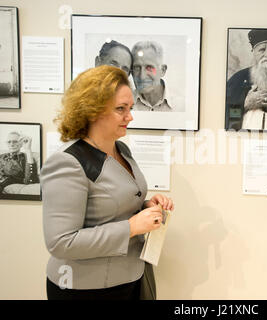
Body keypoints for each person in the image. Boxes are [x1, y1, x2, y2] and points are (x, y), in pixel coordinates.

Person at [41, 65, 174, 300]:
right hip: (85, 288)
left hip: (130, 278)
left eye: (130, 108)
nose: (130, 116)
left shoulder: (121, 149)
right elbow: (61, 242)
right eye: (120, 109)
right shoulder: (68, 162)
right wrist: (133, 227)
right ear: (92, 110)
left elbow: (113, 204)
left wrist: (146, 206)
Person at [131, 41, 173, 112]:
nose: (142, 76)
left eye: (149, 67)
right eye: (137, 68)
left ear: (162, 70)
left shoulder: (182, 104)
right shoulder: (123, 103)